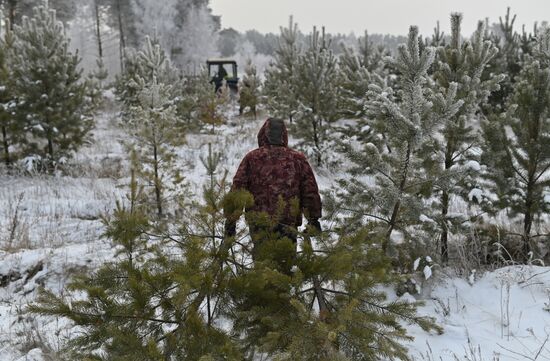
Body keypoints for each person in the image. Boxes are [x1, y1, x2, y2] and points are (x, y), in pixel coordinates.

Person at [224, 118, 322, 266]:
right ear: (284, 136)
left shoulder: (252, 158)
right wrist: (314, 219)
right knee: (285, 270)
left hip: (259, 224)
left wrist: (231, 220)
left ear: (263, 134)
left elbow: (238, 189)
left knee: (262, 270)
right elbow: (310, 191)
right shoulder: (297, 159)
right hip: (288, 224)